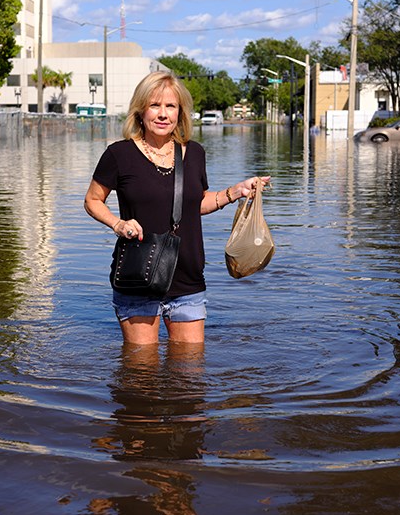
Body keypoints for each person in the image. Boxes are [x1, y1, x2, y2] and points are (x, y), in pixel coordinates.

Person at [84, 71, 270, 345]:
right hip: (139, 277)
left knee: (190, 377)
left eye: (170, 106)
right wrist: (118, 224)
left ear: (180, 112)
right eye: (154, 105)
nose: (162, 114)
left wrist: (236, 192)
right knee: (141, 375)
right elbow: (92, 200)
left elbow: (196, 203)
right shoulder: (119, 154)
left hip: (188, 278)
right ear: (140, 111)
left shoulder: (194, 153)